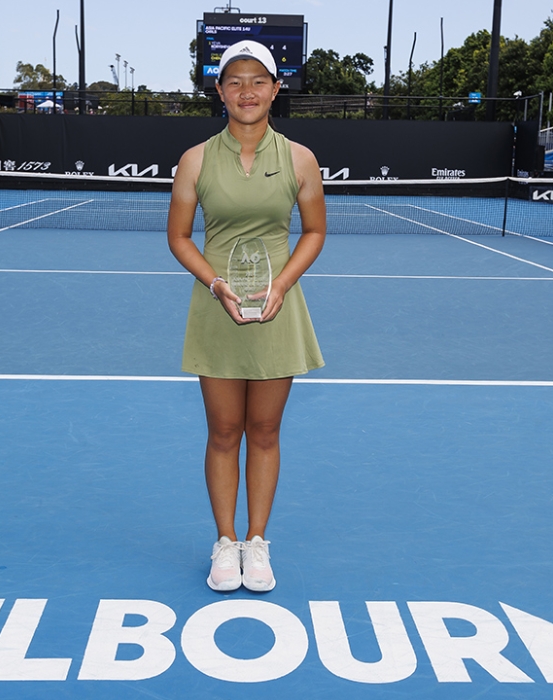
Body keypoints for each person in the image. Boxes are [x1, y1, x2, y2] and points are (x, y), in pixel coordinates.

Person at [167, 40, 326, 593]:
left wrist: (281, 285)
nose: (247, 91)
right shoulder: (194, 160)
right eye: (234, 81)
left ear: (276, 90)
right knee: (222, 431)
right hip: (217, 308)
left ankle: (257, 543)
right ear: (219, 91)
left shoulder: (300, 159)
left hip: (278, 309)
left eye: (259, 80)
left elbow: (315, 231)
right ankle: (225, 541)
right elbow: (179, 237)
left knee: (264, 430)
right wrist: (215, 283)